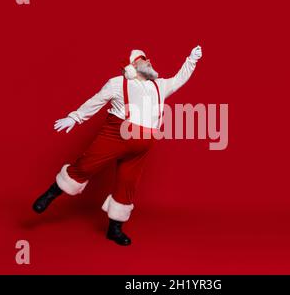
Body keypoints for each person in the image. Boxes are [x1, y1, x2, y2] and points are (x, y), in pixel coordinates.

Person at [32, 46, 203, 246]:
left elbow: (180, 79)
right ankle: (52, 193)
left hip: (141, 146)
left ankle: (115, 229)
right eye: (143, 59)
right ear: (132, 66)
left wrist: (191, 60)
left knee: (127, 184)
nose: (149, 61)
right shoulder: (117, 84)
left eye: (148, 58)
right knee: (86, 165)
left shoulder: (160, 85)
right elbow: (95, 102)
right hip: (115, 136)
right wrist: (74, 117)